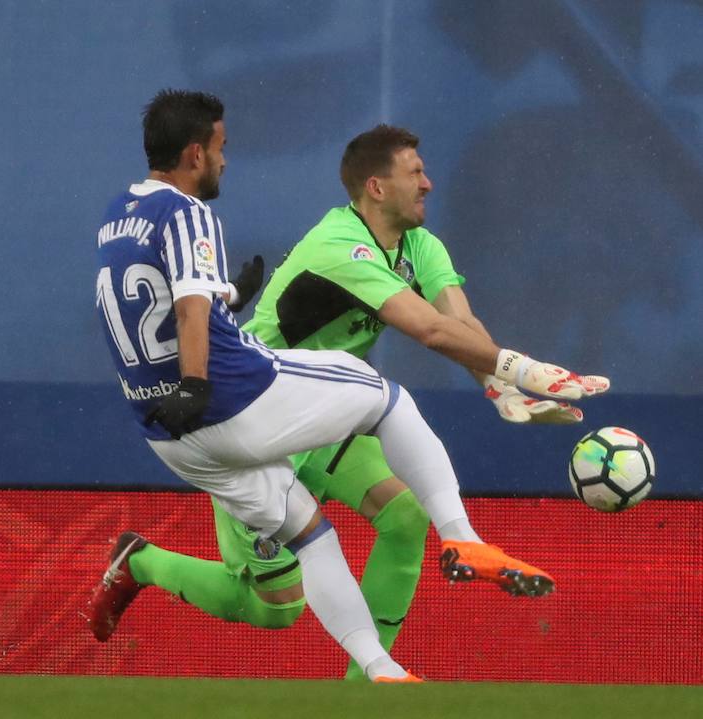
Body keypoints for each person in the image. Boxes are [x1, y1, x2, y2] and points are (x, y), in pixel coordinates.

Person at [88, 91, 607, 682]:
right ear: (377, 188)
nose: (430, 184)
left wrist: (497, 386)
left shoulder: (421, 246)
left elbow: (460, 326)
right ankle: (145, 564)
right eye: (416, 173)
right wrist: (525, 368)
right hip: (259, 400)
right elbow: (431, 332)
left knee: (403, 517)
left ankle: (371, 680)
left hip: (287, 416)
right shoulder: (337, 244)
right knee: (271, 605)